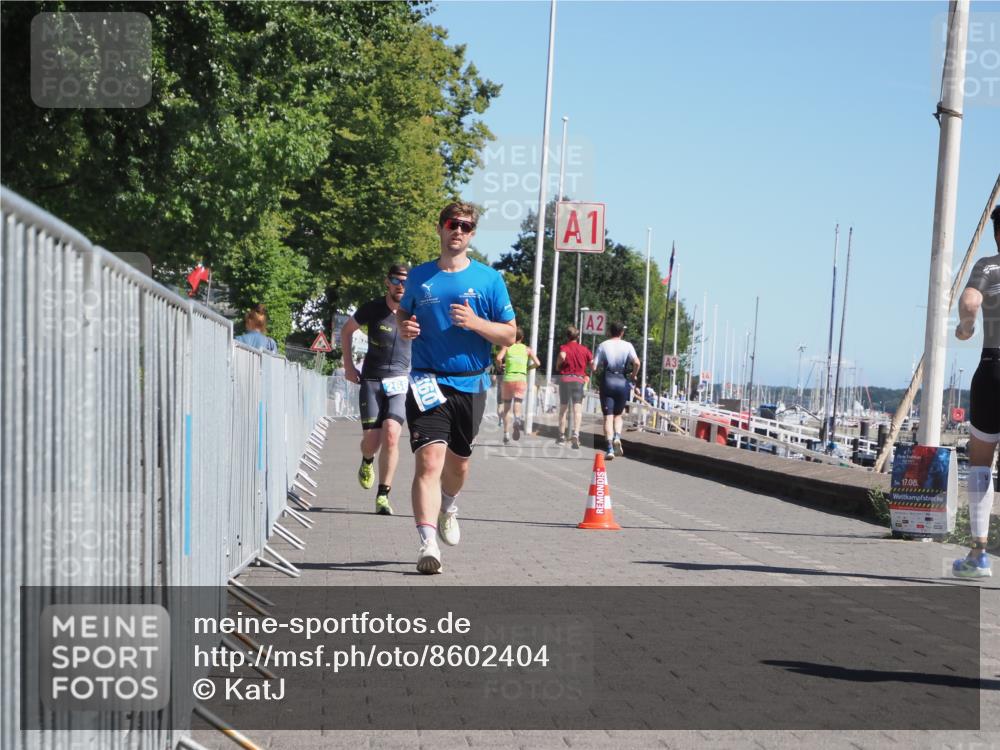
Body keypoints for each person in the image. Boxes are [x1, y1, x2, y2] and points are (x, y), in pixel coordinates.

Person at [398, 202, 516, 574]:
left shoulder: (489, 280)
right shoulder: (420, 276)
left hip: (471, 383)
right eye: (453, 224)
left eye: (466, 226)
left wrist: (477, 323)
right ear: (440, 228)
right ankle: (427, 544)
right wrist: (405, 327)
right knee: (429, 461)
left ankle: (449, 504)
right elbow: (404, 312)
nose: (458, 231)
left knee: (458, 465)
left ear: (472, 234)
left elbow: (510, 334)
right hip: (426, 380)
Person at [340, 263, 411, 516]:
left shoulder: (414, 312)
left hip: (400, 382)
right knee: (372, 441)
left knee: (392, 434)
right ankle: (367, 460)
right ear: (387, 282)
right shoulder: (373, 308)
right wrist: (349, 366)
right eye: (396, 280)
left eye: (405, 281)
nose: (401, 286)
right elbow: (346, 331)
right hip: (371, 381)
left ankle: (383, 495)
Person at [952, 204, 1000, 578]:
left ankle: (979, 555)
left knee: (981, 460)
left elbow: (969, 302)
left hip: (993, 369)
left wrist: (966, 327)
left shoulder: (989, 265)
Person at [593, 322, 640, 461]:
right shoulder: (628, 345)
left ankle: (609, 449)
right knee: (618, 415)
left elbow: (594, 367)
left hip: (608, 380)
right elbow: (637, 363)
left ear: (609, 332)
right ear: (622, 333)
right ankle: (617, 437)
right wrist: (632, 375)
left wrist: (592, 365)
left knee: (608, 416)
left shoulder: (603, 345)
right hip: (622, 381)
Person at [495, 328, 541, 445]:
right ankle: (517, 419)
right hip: (521, 378)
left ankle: (506, 434)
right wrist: (527, 368)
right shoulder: (527, 349)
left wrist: (500, 366)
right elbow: (538, 363)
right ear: (522, 338)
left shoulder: (507, 347)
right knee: (518, 402)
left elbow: (498, 358)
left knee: (506, 408)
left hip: (508, 378)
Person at [556, 325, 593, 449]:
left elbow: (562, 356)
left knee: (563, 409)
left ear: (568, 336)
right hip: (578, 381)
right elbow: (593, 364)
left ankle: (561, 436)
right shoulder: (584, 349)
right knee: (578, 410)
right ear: (578, 337)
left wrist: (558, 365)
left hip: (566, 379)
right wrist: (590, 369)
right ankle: (576, 434)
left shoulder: (564, 347)